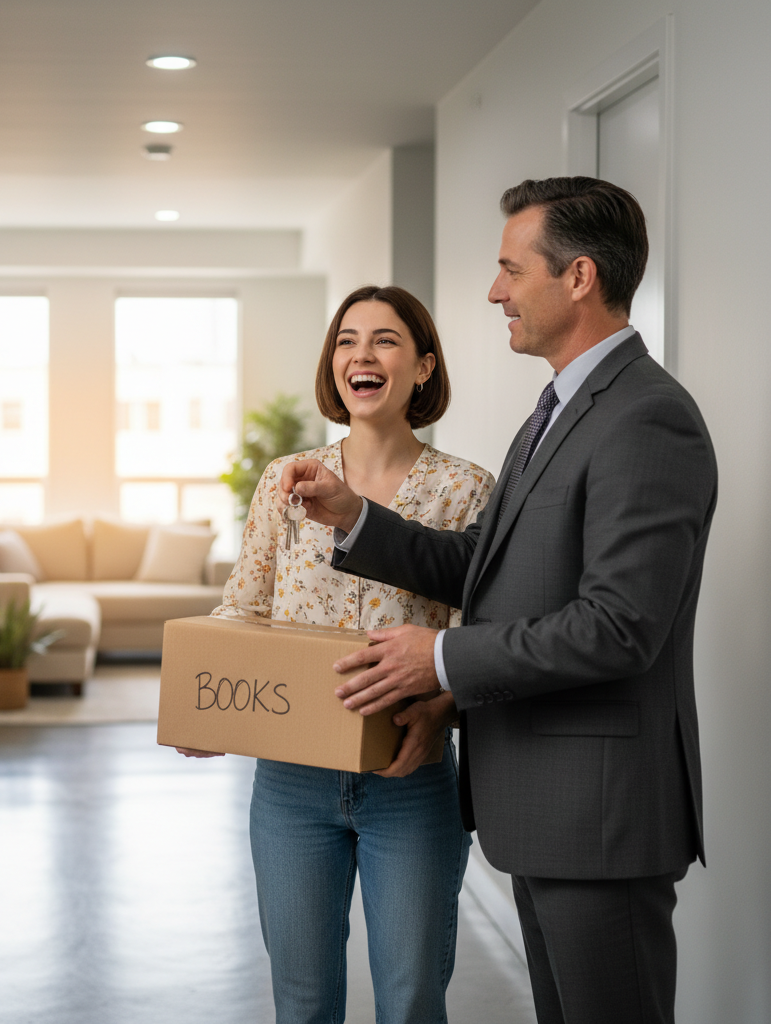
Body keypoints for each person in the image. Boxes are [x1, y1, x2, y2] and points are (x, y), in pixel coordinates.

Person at [280, 178, 717, 1024]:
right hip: (548, 809)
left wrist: (437, 656)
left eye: (511, 270)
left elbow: (620, 627)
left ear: (579, 277)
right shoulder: (559, 408)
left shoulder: (647, 416)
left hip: (601, 817)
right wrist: (357, 519)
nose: (494, 292)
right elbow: (490, 566)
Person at [179, 285, 494, 1023]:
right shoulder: (285, 482)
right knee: (302, 1000)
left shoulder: (465, 491)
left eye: (385, 340)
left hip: (410, 780)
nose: (362, 354)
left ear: (422, 367)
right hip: (291, 784)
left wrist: (443, 707)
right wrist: (206, 702)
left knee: (412, 998)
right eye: (347, 340)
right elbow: (245, 607)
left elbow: (482, 636)